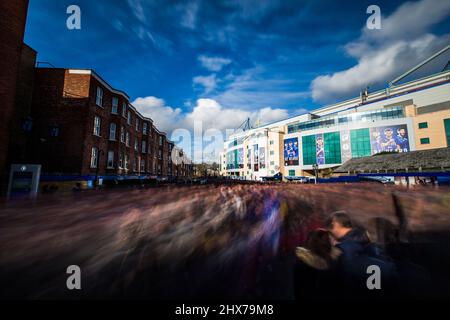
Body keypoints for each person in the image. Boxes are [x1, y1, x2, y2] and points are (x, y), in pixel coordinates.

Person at [326, 211, 398, 299]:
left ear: (337, 223)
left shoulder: (345, 249)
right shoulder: (366, 243)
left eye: (331, 224)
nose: (330, 228)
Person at [293, 229, 340, 300]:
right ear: (326, 243)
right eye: (329, 240)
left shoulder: (301, 261)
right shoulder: (331, 262)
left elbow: (299, 288)